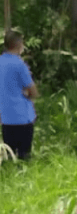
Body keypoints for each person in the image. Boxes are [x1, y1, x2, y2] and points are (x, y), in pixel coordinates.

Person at [0, 31, 39, 160]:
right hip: (22, 117)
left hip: (6, 117)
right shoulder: (20, 65)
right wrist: (28, 94)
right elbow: (33, 92)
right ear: (19, 45)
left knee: (10, 156)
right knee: (24, 157)